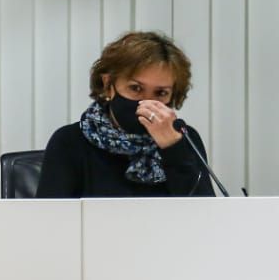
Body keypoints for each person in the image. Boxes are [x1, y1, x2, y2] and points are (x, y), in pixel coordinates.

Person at [36, 31, 214, 198]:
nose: (147, 103)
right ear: (108, 85)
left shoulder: (184, 138)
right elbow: (48, 221)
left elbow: (207, 216)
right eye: (135, 88)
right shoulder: (70, 141)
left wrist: (173, 149)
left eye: (160, 93)